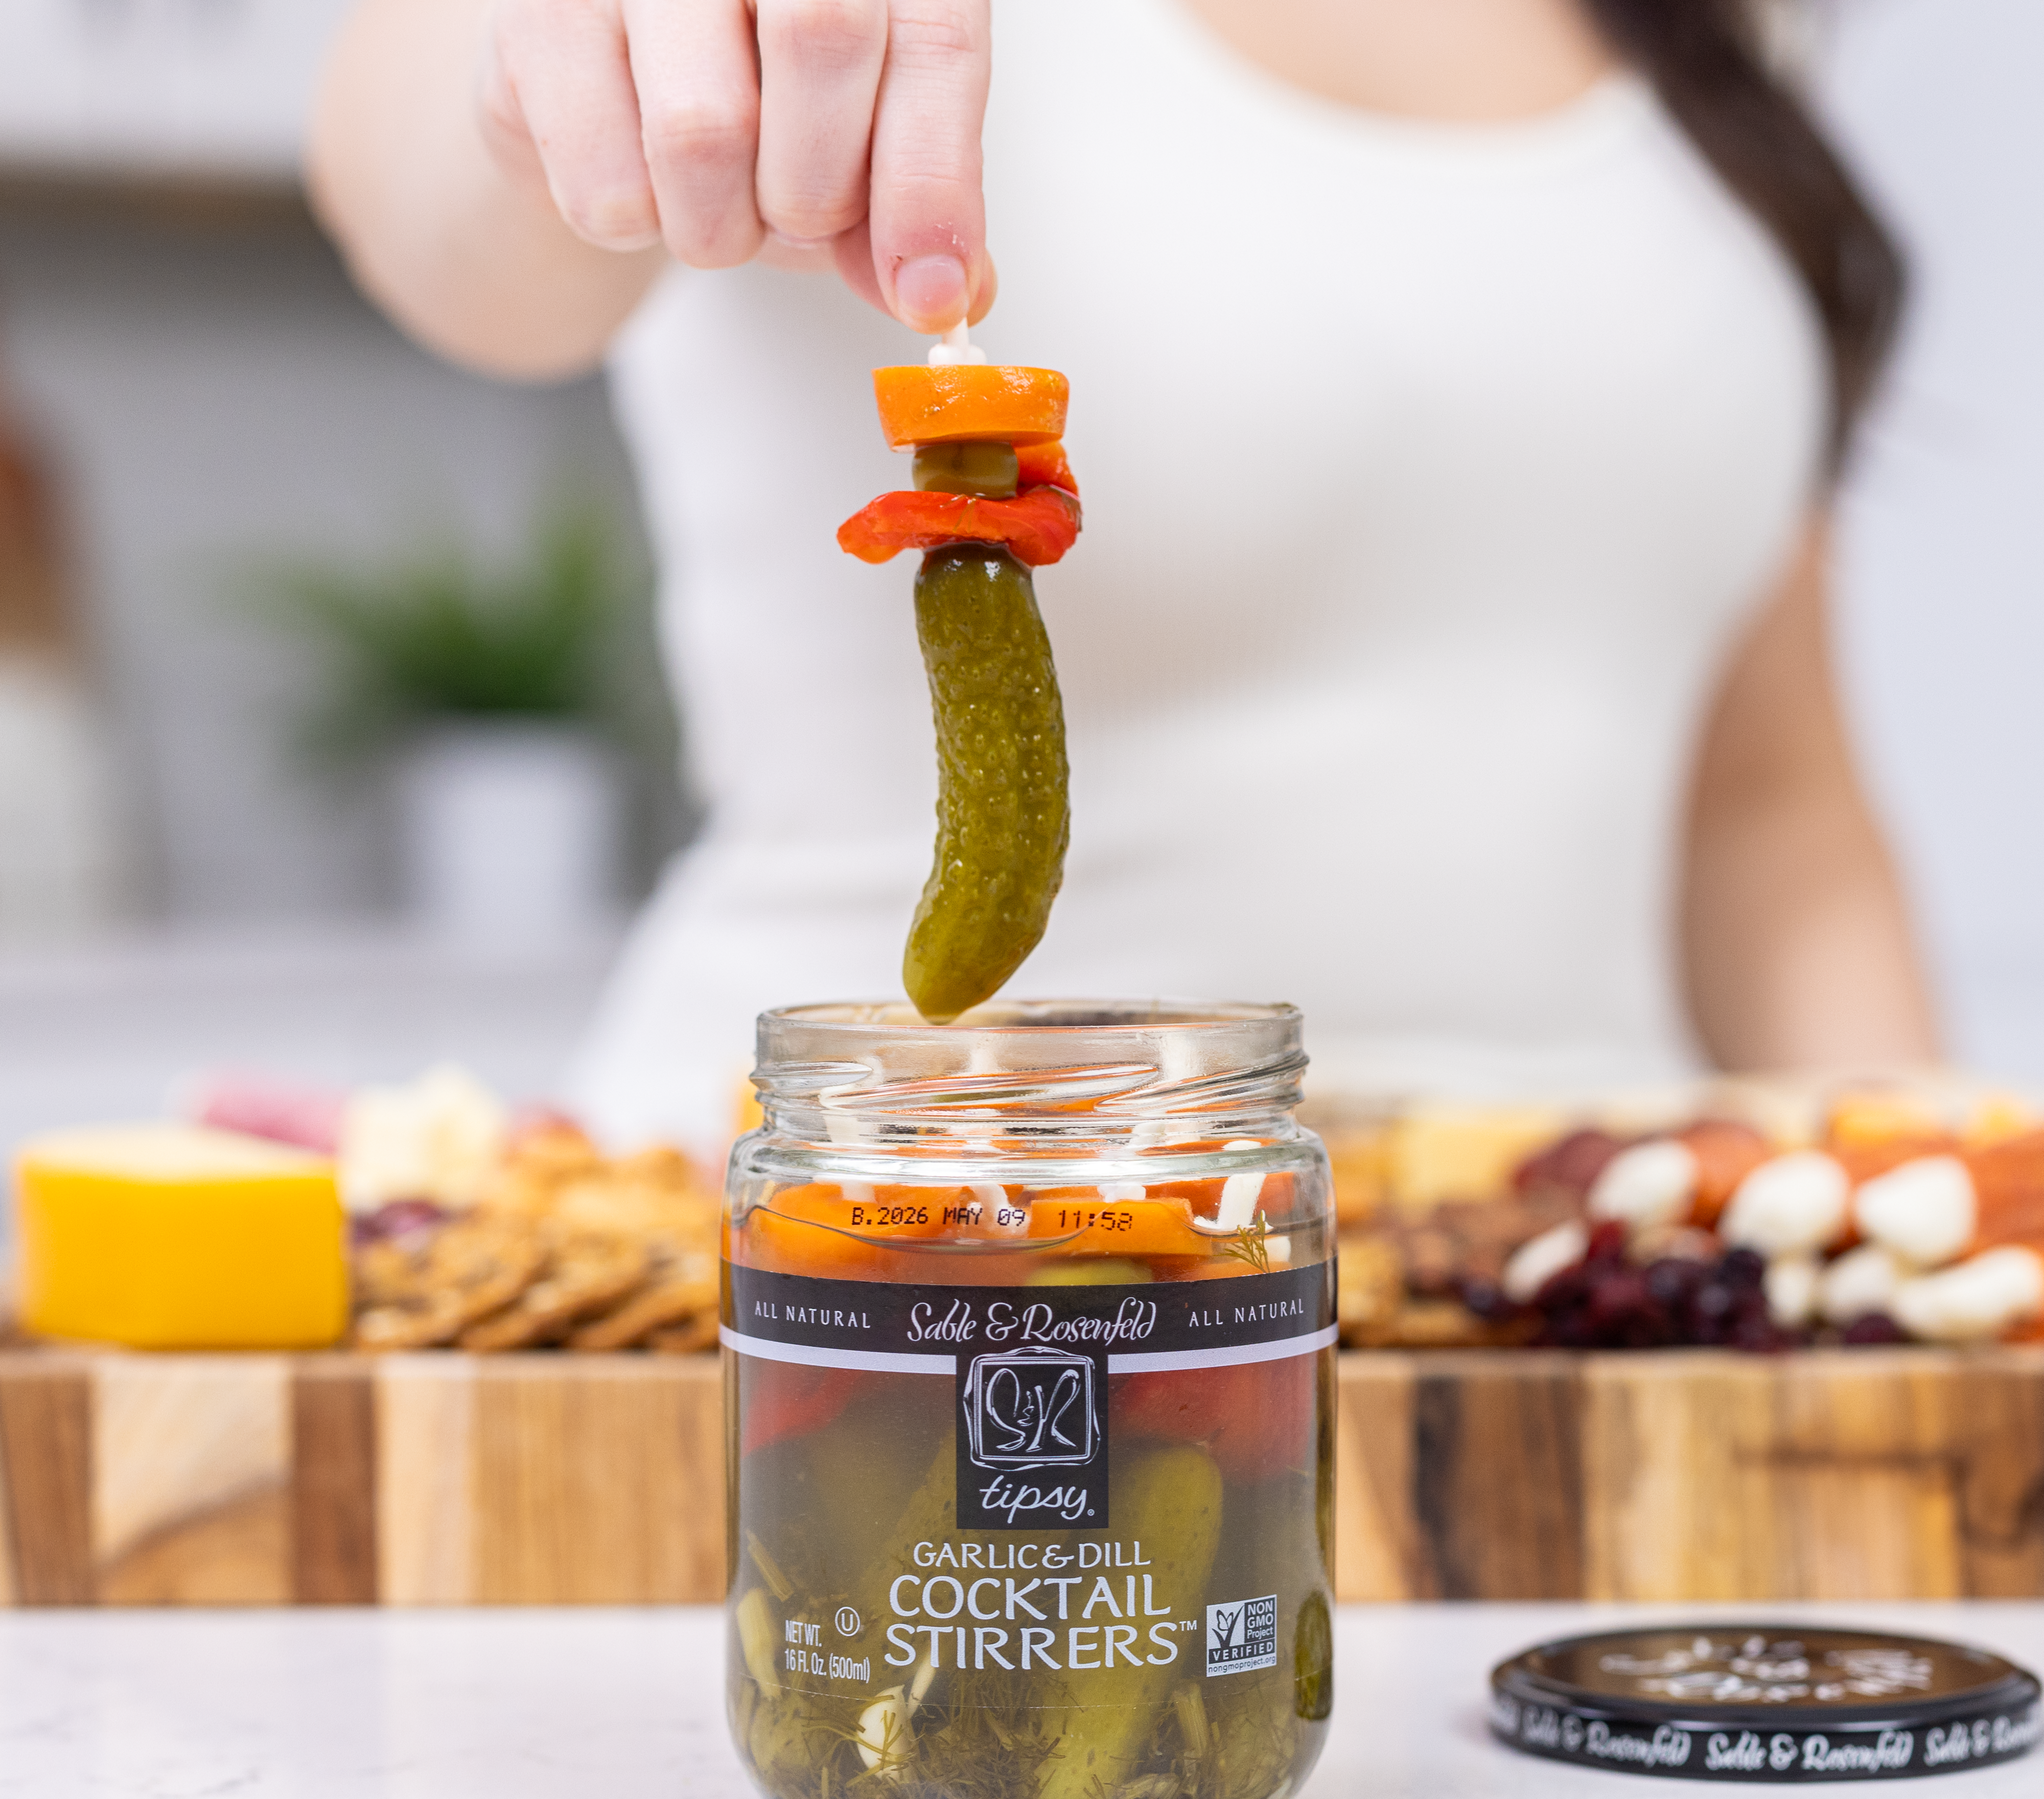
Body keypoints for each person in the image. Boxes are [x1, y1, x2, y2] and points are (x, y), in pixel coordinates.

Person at [309, 0, 1938, 1150]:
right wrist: (536, 74)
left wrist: (1967, 1261)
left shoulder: (1720, 30)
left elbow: (1770, 822)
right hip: (889, 1296)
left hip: (1573, 1313)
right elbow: (436, 218)